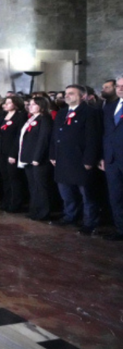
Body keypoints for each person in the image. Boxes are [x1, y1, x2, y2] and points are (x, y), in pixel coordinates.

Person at [49, 84, 102, 235]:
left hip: (80, 159)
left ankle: (89, 222)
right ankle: (69, 216)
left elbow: (93, 138)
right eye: (66, 93)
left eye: (71, 93)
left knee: (87, 194)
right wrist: (53, 154)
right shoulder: (62, 112)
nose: (67, 96)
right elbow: (55, 136)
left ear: (83, 96)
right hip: (62, 159)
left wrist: (89, 160)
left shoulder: (90, 112)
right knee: (66, 192)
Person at [18, 97, 54, 221]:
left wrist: (37, 157)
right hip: (28, 156)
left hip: (39, 158)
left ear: (41, 106)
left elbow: (43, 140)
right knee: (33, 186)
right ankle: (34, 210)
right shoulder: (32, 118)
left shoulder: (44, 119)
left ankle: (44, 212)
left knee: (41, 186)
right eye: (30, 104)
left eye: (34, 104)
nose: (30, 106)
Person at [0, 96, 27, 212]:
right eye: (5, 103)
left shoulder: (20, 117)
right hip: (1, 151)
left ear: (16, 104)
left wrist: (13, 154)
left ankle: (15, 203)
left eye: (8, 103)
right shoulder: (2, 117)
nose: (5, 105)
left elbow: (19, 137)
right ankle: (6, 201)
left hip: (12, 152)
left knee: (14, 179)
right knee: (5, 178)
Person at [101, 75, 123, 241]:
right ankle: (120, 229)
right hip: (112, 160)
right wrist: (103, 156)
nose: (120, 89)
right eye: (118, 86)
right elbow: (106, 134)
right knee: (115, 196)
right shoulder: (110, 107)